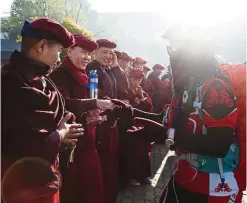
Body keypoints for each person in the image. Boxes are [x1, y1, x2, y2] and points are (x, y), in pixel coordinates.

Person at [110, 38, 245, 202]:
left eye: (177, 50)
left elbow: (219, 145)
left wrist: (168, 134)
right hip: (185, 175)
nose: (172, 57)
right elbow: (165, 119)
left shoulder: (216, 88)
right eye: (171, 49)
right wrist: (130, 112)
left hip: (214, 186)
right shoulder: (187, 88)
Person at [2, 18, 84, 203]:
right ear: (41, 46)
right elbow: (26, 144)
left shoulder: (41, 78)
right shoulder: (12, 84)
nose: (59, 58)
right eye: (59, 51)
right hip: (25, 187)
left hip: (45, 178)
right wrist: (61, 134)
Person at [49, 34, 115, 203]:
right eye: (83, 52)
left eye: (89, 54)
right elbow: (64, 104)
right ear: (69, 51)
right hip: (70, 145)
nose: (87, 58)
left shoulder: (82, 74)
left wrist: (91, 114)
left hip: (88, 140)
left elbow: (84, 105)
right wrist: (94, 103)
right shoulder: (60, 74)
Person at [86, 39, 129, 203]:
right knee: (103, 167)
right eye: (104, 52)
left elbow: (124, 88)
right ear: (94, 52)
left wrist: (117, 66)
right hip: (100, 126)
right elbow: (94, 97)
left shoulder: (108, 70)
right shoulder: (92, 69)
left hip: (111, 125)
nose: (108, 56)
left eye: (111, 53)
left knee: (112, 166)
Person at [119, 68, 153, 188]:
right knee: (131, 153)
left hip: (142, 127)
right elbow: (128, 110)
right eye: (134, 79)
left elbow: (149, 108)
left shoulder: (142, 92)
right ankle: (132, 177)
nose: (136, 82)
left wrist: (142, 98)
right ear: (129, 79)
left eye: (139, 79)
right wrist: (136, 101)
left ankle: (144, 175)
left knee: (144, 152)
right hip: (129, 127)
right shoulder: (125, 92)